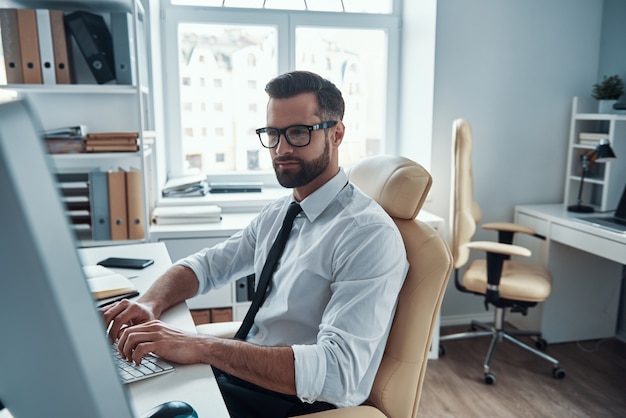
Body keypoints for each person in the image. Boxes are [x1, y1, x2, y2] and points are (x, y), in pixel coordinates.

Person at [102, 70, 408, 417]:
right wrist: (149, 303)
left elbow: (337, 373)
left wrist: (203, 348)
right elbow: (207, 266)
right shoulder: (281, 212)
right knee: (123, 394)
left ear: (336, 134)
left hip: (293, 401)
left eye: (298, 132)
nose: (282, 148)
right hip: (242, 376)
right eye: (273, 134)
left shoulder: (366, 235)